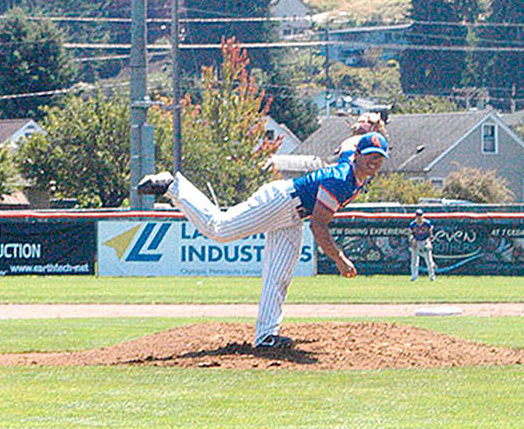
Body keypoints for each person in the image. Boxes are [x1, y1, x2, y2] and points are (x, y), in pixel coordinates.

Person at [137, 132, 389, 349]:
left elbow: (348, 143)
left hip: (293, 216)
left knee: (279, 275)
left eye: (379, 156)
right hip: (281, 201)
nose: (374, 160)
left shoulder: (352, 161)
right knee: (219, 228)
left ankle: (266, 335)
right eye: (370, 154)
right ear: (359, 155)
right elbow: (319, 225)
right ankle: (172, 185)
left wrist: (367, 128)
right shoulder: (342, 179)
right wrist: (340, 259)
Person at [408, 209, 436, 281]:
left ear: (423, 216)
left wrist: (429, 241)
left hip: (425, 241)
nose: (419, 217)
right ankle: (414, 276)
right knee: (414, 260)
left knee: (429, 260)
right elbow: (410, 234)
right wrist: (412, 240)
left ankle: (432, 276)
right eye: (417, 216)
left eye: (420, 215)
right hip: (416, 241)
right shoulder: (413, 224)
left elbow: (431, 233)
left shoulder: (427, 223)